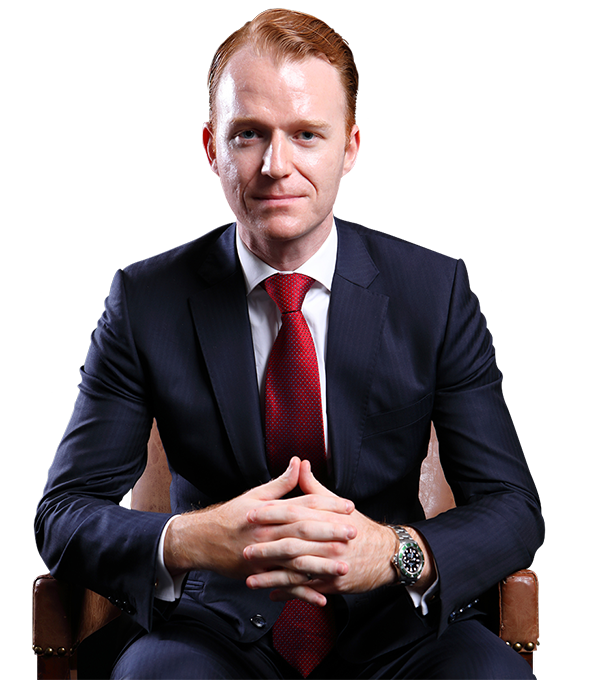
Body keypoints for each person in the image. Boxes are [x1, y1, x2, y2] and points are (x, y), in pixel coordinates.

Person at [35, 9, 544, 679]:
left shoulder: (434, 292)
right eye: (249, 134)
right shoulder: (143, 300)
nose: (277, 166)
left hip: (396, 627)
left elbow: (515, 510)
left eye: (306, 134)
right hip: (212, 629)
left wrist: (395, 552)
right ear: (212, 148)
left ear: (351, 149)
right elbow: (63, 516)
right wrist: (193, 538)